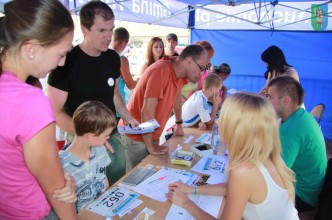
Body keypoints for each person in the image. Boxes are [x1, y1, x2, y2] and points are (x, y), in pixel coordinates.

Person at [0, 0, 78, 219]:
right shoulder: (29, 101)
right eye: (61, 53)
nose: (62, 63)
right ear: (31, 49)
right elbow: (57, 190)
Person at [47, 1, 138, 186]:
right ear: (85, 29)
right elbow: (55, 112)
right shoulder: (67, 62)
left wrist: (127, 116)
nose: (108, 37)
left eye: (111, 30)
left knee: (115, 187)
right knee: (86, 196)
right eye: (101, 30)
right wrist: (89, 136)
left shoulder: (113, 58)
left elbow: (114, 94)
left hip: (111, 137)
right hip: (80, 141)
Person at [166, 93, 299, 220]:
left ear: (235, 130)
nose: (217, 122)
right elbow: (229, 188)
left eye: (222, 118)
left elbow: (237, 185)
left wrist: (185, 203)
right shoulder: (269, 157)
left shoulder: (243, 171)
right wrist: (193, 189)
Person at [120, 44, 208, 171]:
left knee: (150, 172)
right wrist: (150, 145)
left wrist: (179, 124)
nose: (201, 74)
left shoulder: (178, 72)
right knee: (134, 177)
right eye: (201, 68)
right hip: (136, 135)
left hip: (150, 134)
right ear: (189, 61)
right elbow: (147, 111)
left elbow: (176, 97)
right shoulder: (161, 70)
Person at [267, 76, 327, 213]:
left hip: (302, 196)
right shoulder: (300, 116)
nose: (267, 101)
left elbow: (274, 175)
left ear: (285, 100)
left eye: (270, 97)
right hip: (312, 189)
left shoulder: (292, 129)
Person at [59, 101, 117, 212]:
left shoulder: (100, 150)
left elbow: (104, 179)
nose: (108, 138)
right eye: (106, 135)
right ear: (91, 136)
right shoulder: (61, 164)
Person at [110, 27, 137, 106]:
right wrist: (138, 80)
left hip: (104, 104)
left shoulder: (103, 55)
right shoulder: (122, 60)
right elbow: (131, 84)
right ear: (126, 42)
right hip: (118, 105)